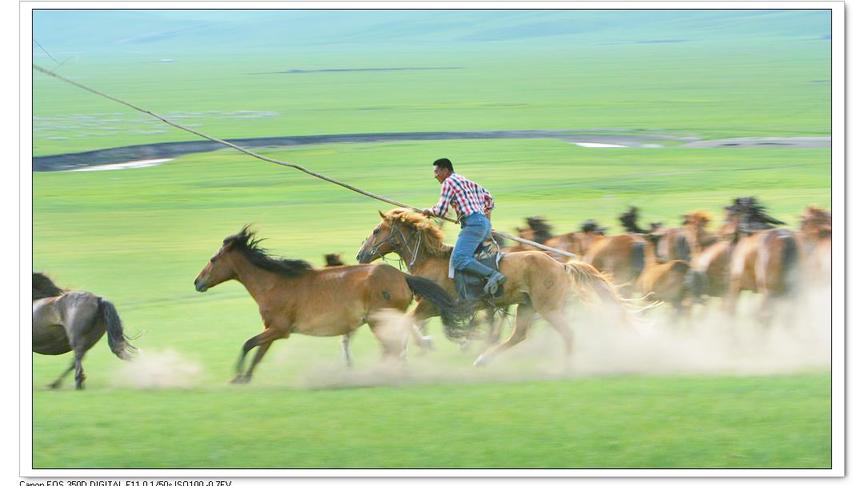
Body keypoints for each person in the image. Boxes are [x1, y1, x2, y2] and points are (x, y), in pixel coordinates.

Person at [421, 158, 506, 296]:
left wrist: (428, 211)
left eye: (437, 172)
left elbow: (441, 210)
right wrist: (488, 223)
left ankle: (493, 275)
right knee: (467, 257)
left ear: (445, 170)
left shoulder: (448, 182)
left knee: (459, 259)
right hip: (481, 224)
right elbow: (489, 199)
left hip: (473, 225)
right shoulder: (466, 181)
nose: (435, 176)